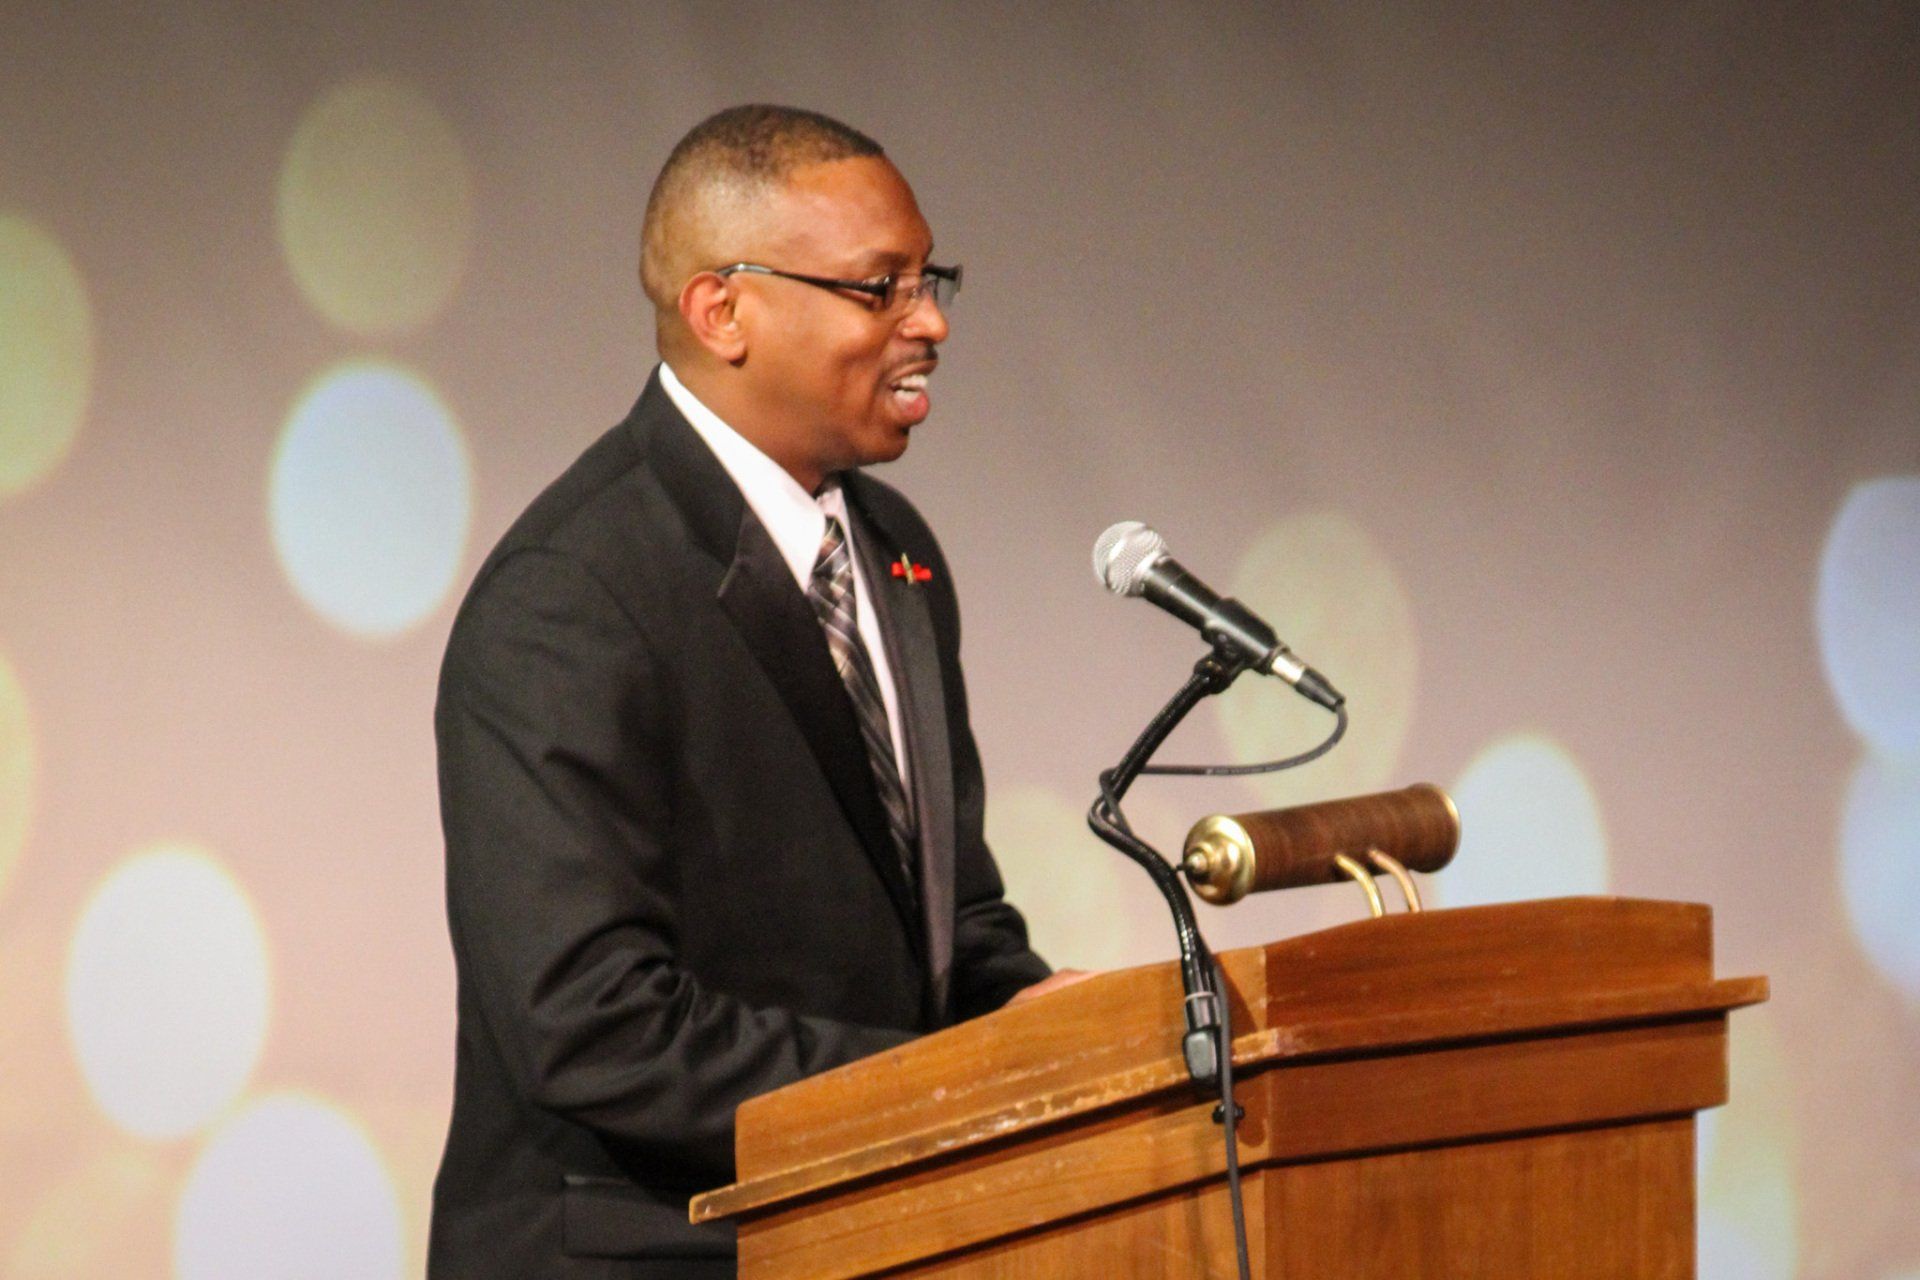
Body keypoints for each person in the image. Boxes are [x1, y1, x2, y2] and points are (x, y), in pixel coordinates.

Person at [427, 105, 1080, 1279]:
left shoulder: (897, 553)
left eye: (932, 279)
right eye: (879, 288)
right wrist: (937, 1087)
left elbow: (948, 919)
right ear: (723, 310)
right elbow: (591, 1025)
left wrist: (1046, 1027)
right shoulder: (571, 594)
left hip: (871, 1237)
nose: (928, 321)